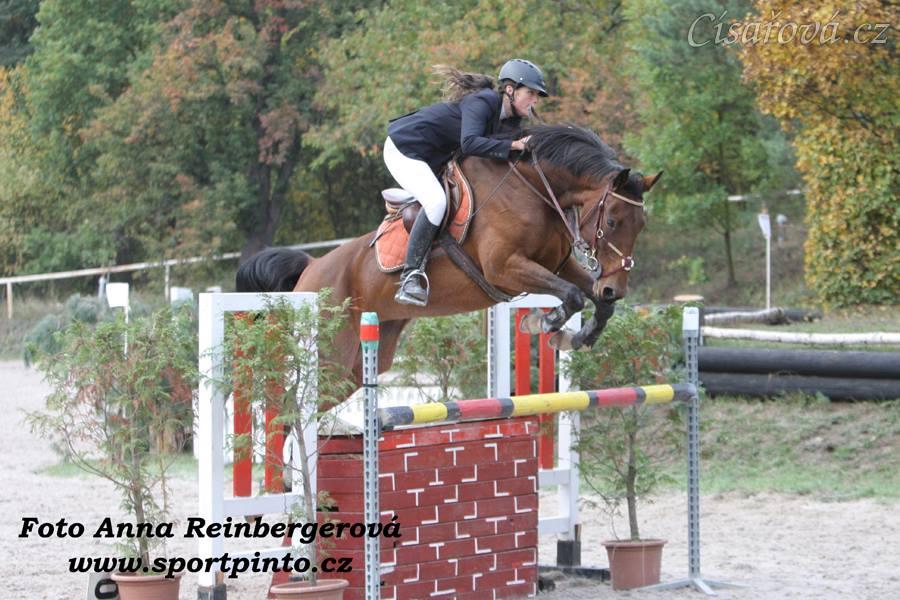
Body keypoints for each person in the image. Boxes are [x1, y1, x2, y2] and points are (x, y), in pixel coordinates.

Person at [384, 59, 548, 306]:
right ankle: (411, 276)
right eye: (531, 93)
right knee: (436, 202)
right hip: (405, 148)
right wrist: (515, 144)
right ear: (510, 90)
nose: (535, 100)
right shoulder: (484, 101)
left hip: (432, 157)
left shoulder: (509, 121)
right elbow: (470, 143)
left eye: (537, 96)